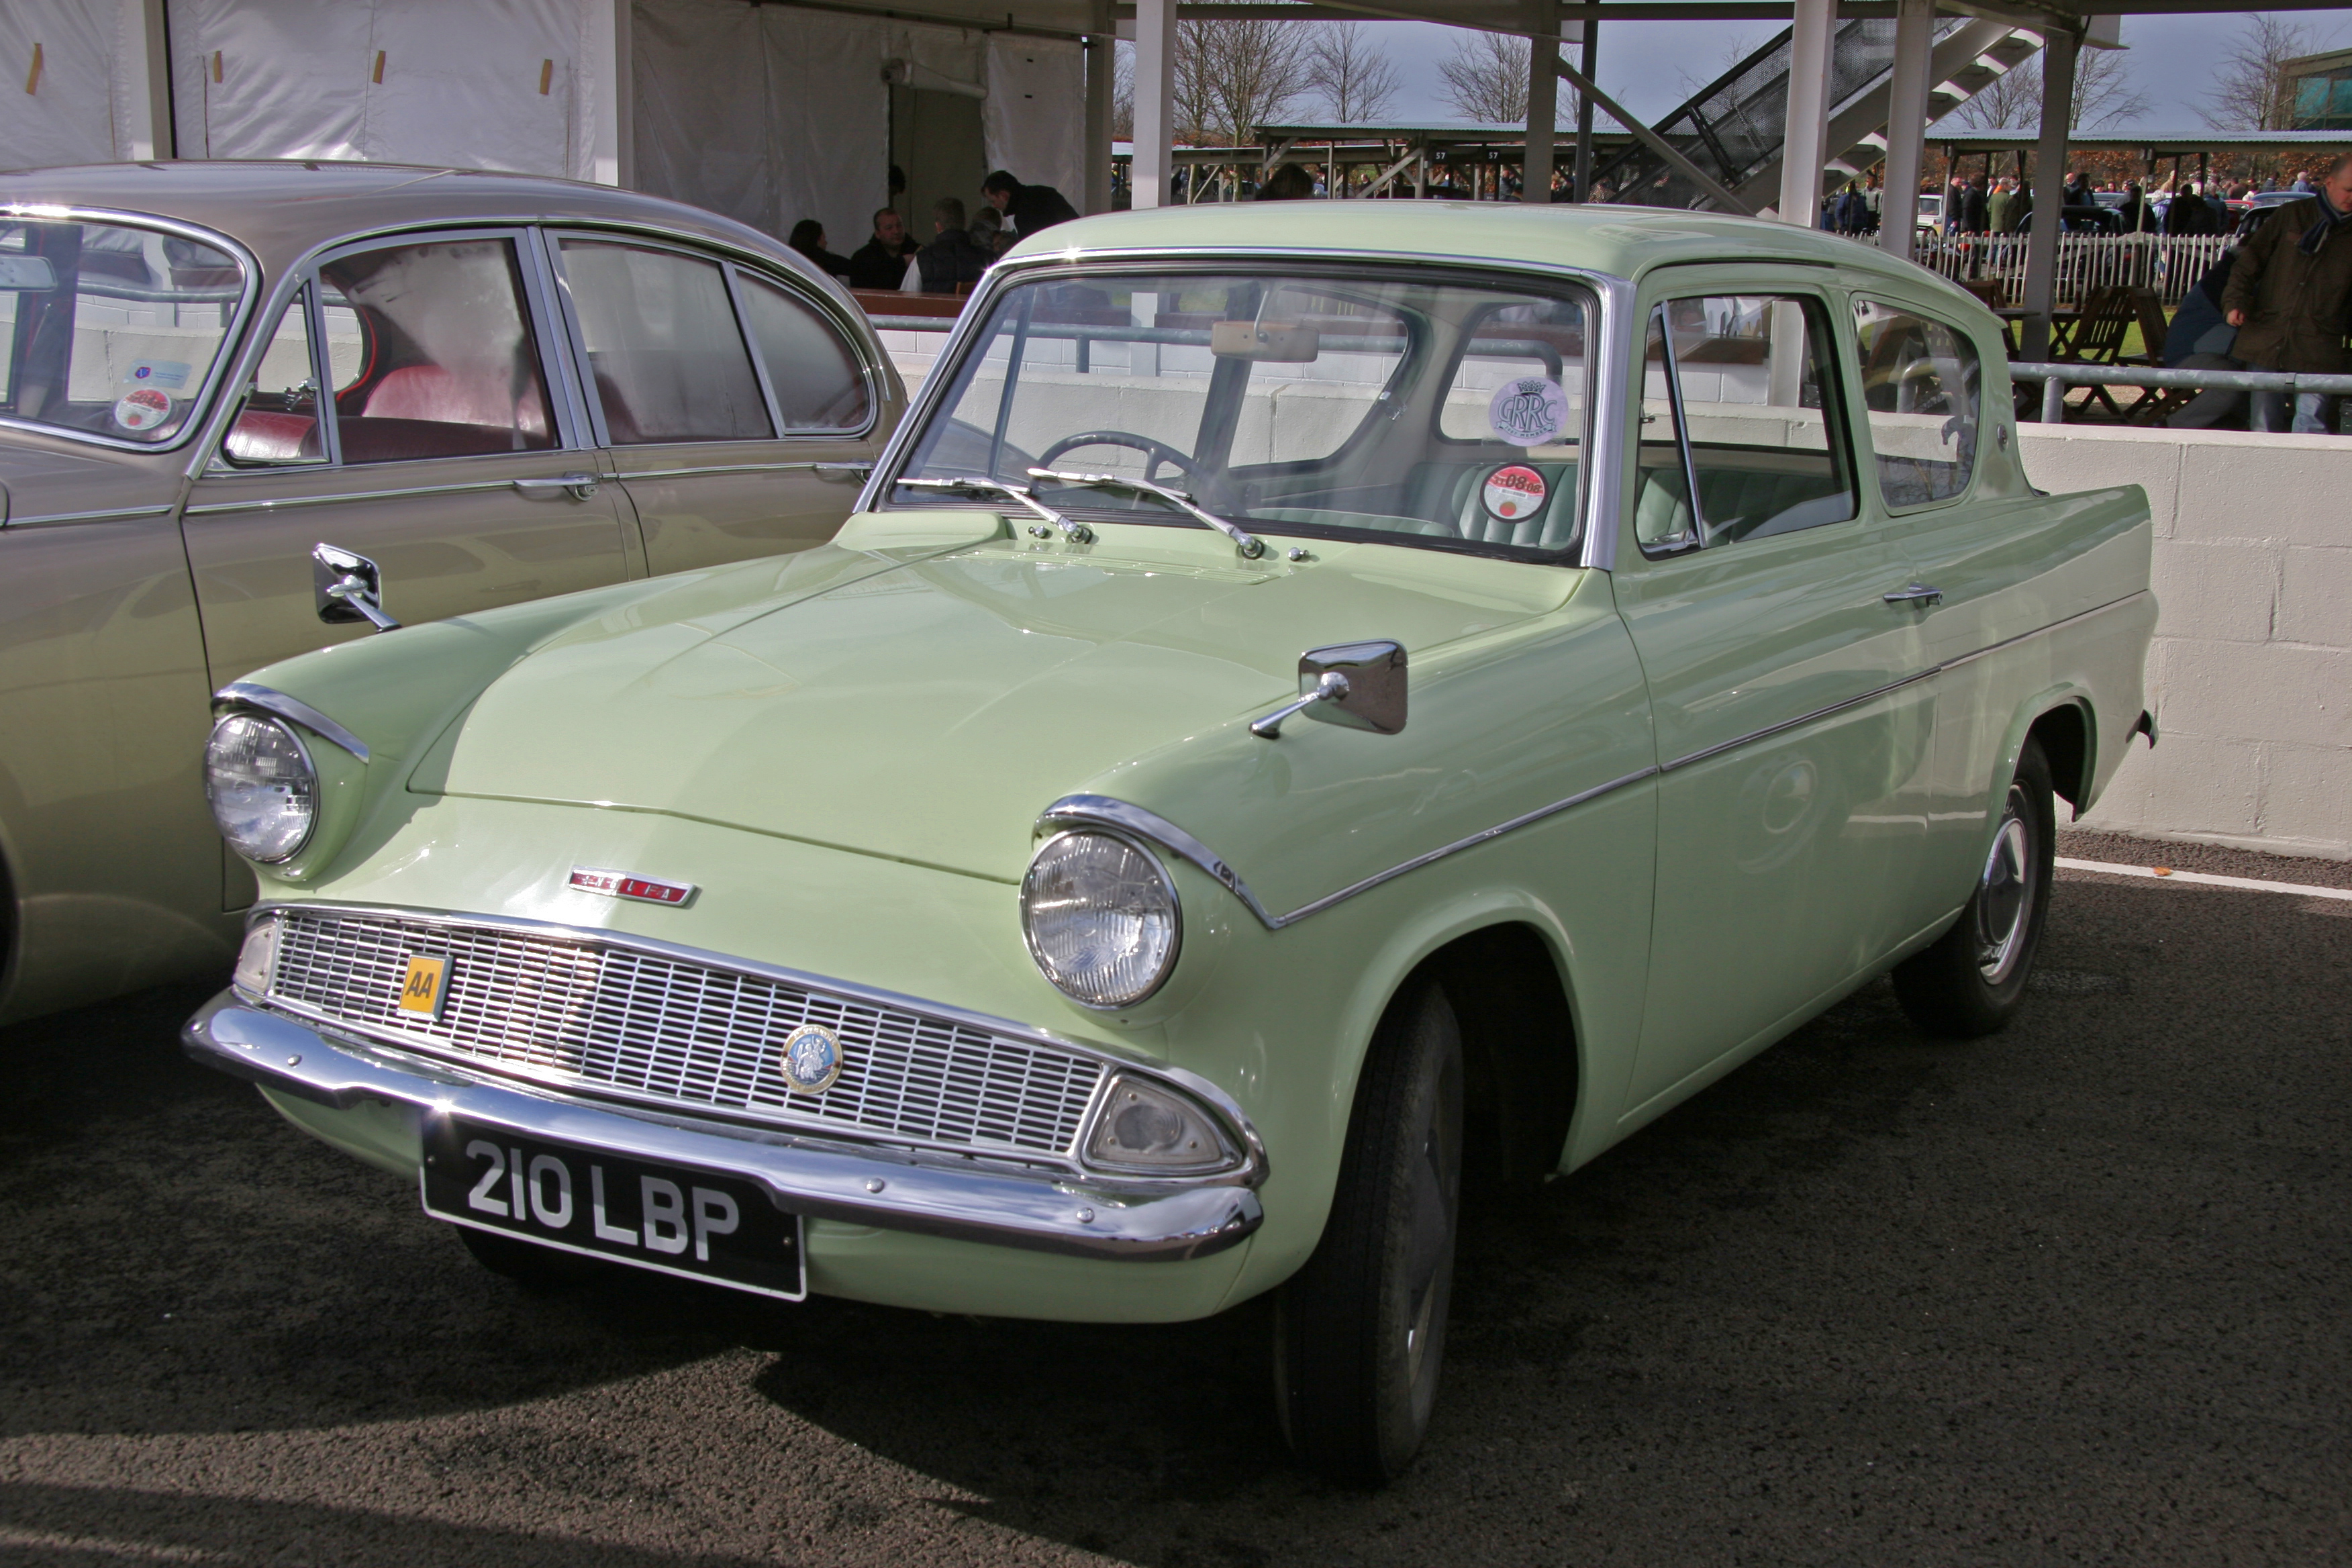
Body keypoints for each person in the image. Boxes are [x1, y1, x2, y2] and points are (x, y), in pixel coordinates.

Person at [2221, 151, 2352, 434]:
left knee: (2311, 423)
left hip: (2319, 340)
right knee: (2263, 422)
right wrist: (2235, 302)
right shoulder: (2292, 216)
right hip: (2269, 332)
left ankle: (2305, 477)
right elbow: (2248, 264)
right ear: (2329, 182)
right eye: (2349, 189)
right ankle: (2261, 476)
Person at [909, 196, 990, 295]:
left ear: (938, 226)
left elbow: (908, 299)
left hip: (936, 310)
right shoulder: (988, 259)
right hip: (973, 310)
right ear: (964, 223)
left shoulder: (921, 260)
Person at [980, 169, 1078, 238]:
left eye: (993, 201)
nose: (994, 206)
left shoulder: (1023, 216)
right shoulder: (1047, 192)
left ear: (1003, 196)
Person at [845, 207, 918, 291]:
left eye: (899, 225)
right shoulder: (862, 258)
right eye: (889, 228)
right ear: (878, 233)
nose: (896, 231)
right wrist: (901, 263)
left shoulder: (918, 252)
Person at [786, 220, 851, 281]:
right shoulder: (827, 261)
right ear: (816, 240)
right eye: (824, 238)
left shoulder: (786, 258)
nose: (826, 242)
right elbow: (855, 268)